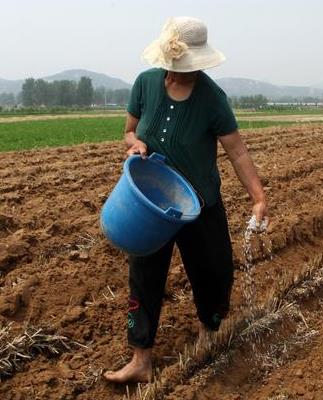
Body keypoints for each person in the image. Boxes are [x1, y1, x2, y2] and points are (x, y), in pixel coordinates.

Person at [103, 16, 268, 383]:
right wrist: (136, 145)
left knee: (213, 272)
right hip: (151, 203)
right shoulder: (145, 84)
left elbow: (237, 152)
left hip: (200, 203)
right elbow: (128, 132)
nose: (177, 74)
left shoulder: (212, 99)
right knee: (144, 277)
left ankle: (208, 336)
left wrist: (259, 198)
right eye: (174, 67)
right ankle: (141, 359)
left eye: (185, 68)